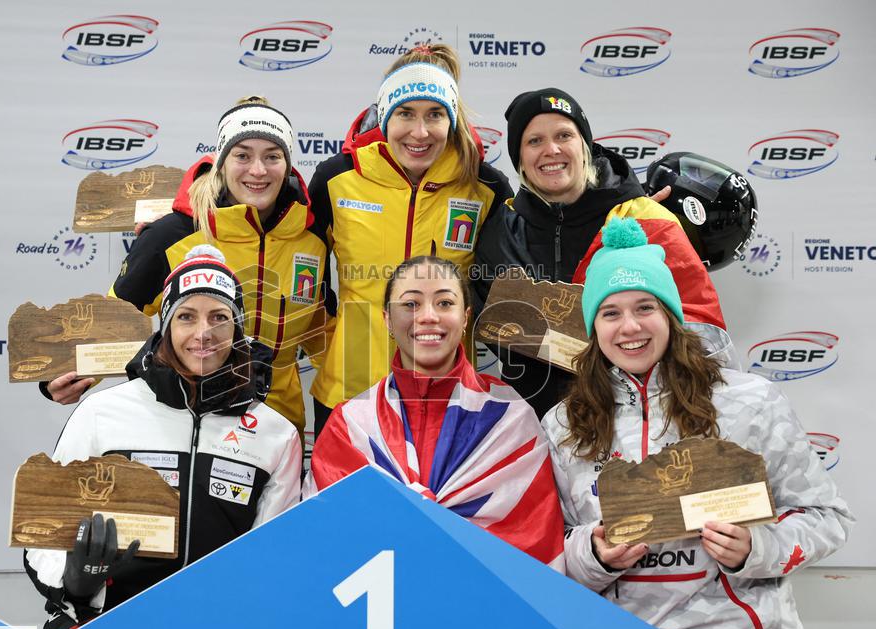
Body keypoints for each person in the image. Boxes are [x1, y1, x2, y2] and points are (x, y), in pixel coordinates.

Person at [541, 217, 852, 629]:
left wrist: (756, 548)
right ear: (593, 327)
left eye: (645, 307)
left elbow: (827, 518)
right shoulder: (564, 425)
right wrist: (594, 553)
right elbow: (551, 550)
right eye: (610, 312)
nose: (630, 326)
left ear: (669, 313)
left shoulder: (750, 402)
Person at [25, 248, 302, 629]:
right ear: (166, 326)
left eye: (219, 318)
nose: (202, 333)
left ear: (238, 329)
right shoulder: (103, 413)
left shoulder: (276, 435)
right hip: (109, 628)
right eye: (186, 316)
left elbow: (271, 559)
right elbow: (43, 532)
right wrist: (73, 584)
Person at [44, 96, 331, 436]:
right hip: (185, 423)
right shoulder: (174, 233)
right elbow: (114, 318)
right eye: (242, 155)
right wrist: (61, 374)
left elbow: (323, 330)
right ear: (222, 162)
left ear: (288, 165)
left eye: (272, 156)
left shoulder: (310, 238)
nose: (258, 170)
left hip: (279, 429)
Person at [473, 88, 726, 419]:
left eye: (564, 135)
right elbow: (484, 322)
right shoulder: (500, 229)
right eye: (534, 141)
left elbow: (704, 329)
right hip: (532, 429)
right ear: (519, 157)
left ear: (585, 145)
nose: (551, 150)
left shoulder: (642, 218)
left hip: (638, 428)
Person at [308, 44, 512, 437]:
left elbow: (512, 273)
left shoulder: (484, 186)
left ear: (450, 120)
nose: (419, 132)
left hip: (448, 399)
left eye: (434, 114)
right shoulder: (337, 178)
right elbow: (293, 258)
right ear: (385, 117)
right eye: (405, 114)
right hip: (350, 393)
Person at [309, 256, 564, 568]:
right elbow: (320, 539)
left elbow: (535, 549)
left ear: (466, 316)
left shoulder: (510, 418)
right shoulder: (349, 425)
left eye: (444, 303)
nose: (428, 316)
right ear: (387, 318)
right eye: (410, 304)